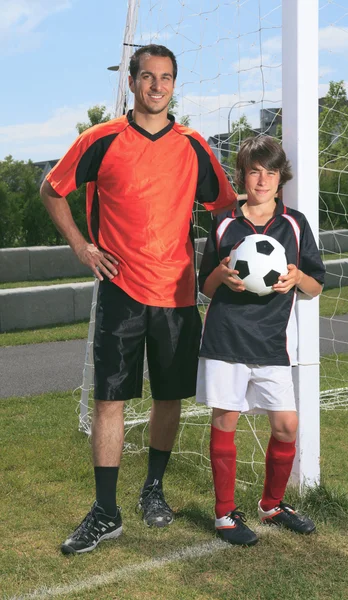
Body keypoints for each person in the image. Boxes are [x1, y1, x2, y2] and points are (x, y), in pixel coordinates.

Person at [40, 44, 236, 554]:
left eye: (165, 78)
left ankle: (154, 489)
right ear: (132, 82)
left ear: (175, 84)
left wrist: (225, 265)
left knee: (168, 397)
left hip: (176, 293)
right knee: (110, 401)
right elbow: (51, 189)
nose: (156, 86)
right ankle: (106, 510)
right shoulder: (101, 140)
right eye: (147, 77)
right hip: (121, 292)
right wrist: (82, 246)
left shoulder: (193, 146)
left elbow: (226, 207)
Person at [196, 135, 325, 546]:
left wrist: (295, 279)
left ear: (280, 177)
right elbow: (205, 286)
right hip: (227, 338)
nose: (263, 179)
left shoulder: (295, 224)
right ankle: (223, 516)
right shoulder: (224, 224)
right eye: (255, 171)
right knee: (225, 421)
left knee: (287, 425)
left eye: (270, 171)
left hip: (272, 341)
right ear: (244, 176)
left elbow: (316, 284)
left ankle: (271, 505)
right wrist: (222, 274)